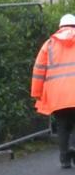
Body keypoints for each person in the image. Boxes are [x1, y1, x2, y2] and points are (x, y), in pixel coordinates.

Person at [31, 13, 75, 169]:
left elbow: (39, 70)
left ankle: (65, 160)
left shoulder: (49, 44)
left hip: (57, 96)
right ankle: (73, 148)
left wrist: (36, 93)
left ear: (60, 27)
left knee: (62, 127)